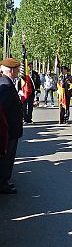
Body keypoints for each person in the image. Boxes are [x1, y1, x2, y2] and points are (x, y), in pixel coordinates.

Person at [0, 58, 23, 194]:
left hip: (10, 129)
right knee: (7, 158)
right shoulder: (7, 87)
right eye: (17, 69)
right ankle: (3, 183)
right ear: (12, 70)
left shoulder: (6, 83)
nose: (18, 72)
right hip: (9, 130)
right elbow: (3, 110)